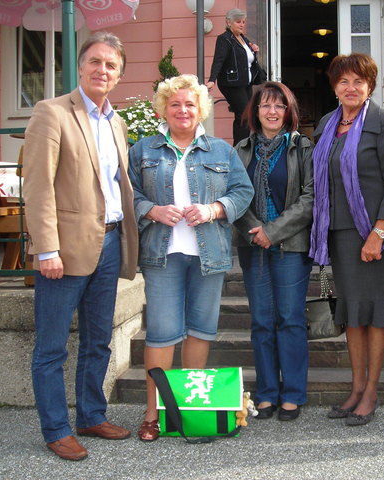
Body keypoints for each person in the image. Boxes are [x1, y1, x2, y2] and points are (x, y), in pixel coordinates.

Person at [23, 31, 138, 461]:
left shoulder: (117, 122)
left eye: (111, 65)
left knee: (97, 341)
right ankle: (56, 428)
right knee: (52, 347)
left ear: (119, 75)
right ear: (81, 66)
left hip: (109, 245)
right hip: (65, 251)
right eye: (95, 61)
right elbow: (37, 187)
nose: (102, 69)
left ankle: (91, 414)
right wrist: (46, 249)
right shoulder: (52, 112)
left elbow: (117, 187)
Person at [128, 74, 254, 441]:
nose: (183, 110)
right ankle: (153, 413)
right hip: (162, 254)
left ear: (200, 109)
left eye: (190, 104)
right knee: (163, 335)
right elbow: (128, 194)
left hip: (208, 255)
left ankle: (185, 411)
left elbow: (241, 192)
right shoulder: (144, 150)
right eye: (175, 104)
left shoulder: (221, 150)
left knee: (200, 331)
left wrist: (214, 209)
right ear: (163, 109)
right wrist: (152, 211)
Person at [310, 53, 384, 426]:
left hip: (371, 233)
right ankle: (355, 387)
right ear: (334, 87)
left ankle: (371, 392)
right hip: (335, 232)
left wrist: (379, 233)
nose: (351, 88)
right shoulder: (326, 125)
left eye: (358, 81)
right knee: (350, 313)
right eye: (343, 81)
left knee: (373, 312)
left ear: (370, 86)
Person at [233, 82, 314, 421]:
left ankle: (293, 393)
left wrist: (273, 231)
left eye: (279, 106)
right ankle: (267, 392)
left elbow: (310, 198)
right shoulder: (240, 149)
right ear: (255, 111)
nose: (271, 112)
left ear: (288, 112)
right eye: (265, 105)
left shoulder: (302, 147)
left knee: (291, 320)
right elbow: (234, 195)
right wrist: (257, 232)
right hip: (254, 248)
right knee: (262, 322)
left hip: (290, 247)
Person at [207, 8, 265, 145]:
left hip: (245, 83)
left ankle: (243, 146)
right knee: (244, 116)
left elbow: (245, 60)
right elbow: (218, 60)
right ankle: (240, 148)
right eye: (238, 22)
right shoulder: (224, 39)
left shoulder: (244, 39)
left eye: (243, 22)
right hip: (231, 83)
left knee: (247, 115)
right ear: (229, 22)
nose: (242, 24)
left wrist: (254, 50)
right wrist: (211, 80)